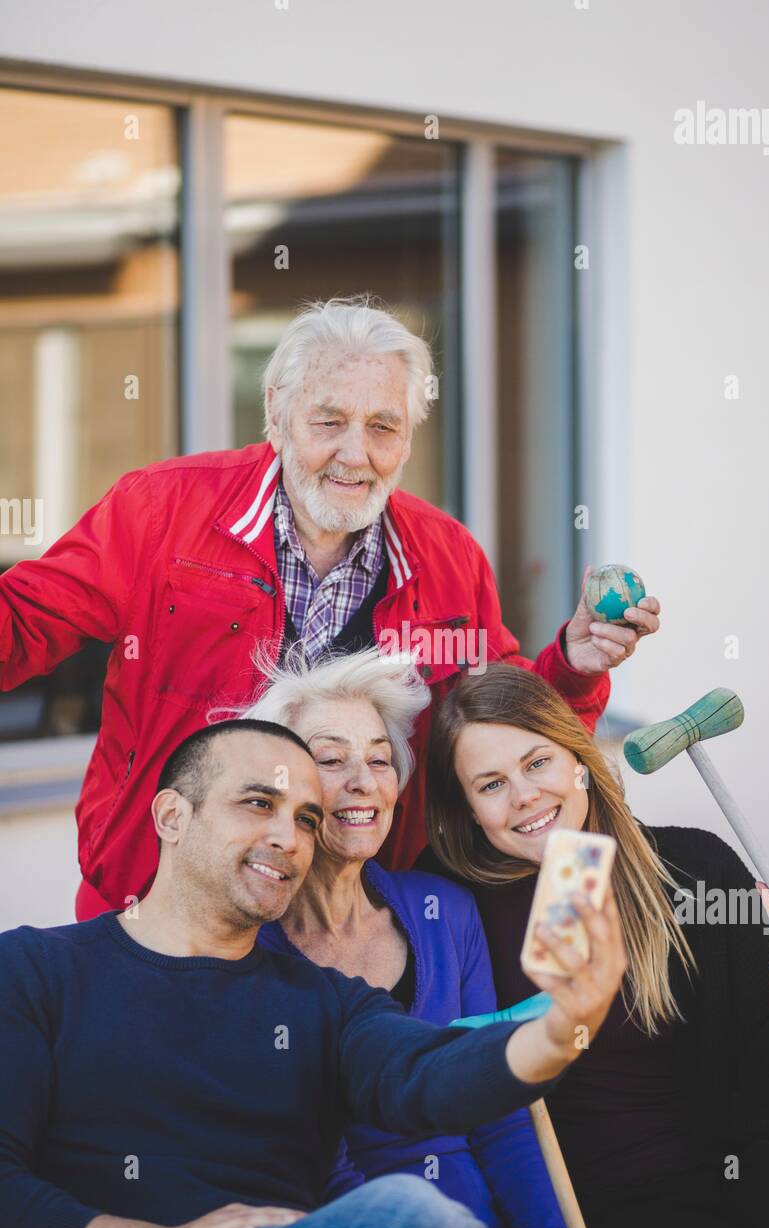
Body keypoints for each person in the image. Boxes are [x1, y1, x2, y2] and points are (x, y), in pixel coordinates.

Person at [0, 295, 662, 922]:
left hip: (354, 924)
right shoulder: (160, 511)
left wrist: (575, 663)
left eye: (382, 427)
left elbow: (498, 724)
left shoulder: (447, 556)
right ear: (277, 411)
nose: (355, 454)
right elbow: (23, 623)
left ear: (407, 437)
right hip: (165, 908)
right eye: (329, 421)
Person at [0, 718, 627, 1228]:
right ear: (172, 815)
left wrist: (566, 1022)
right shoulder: (35, 969)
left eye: (306, 818)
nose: (287, 837)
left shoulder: (322, 1000)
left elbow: (434, 1075)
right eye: (257, 803)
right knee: (407, 1218)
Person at [417, 662, 769, 1228]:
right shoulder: (452, 898)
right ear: (464, 806)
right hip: (600, 1203)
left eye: (537, 763)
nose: (524, 796)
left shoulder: (694, 867)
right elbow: (449, 1074)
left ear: (577, 757)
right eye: (491, 783)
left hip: (744, 1160)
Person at [243, 647, 627, 1228]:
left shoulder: (443, 910)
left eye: (379, 759)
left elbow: (505, 1114)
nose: (361, 780)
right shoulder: (251, 958)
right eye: (330, 760)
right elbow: (324, 1181)